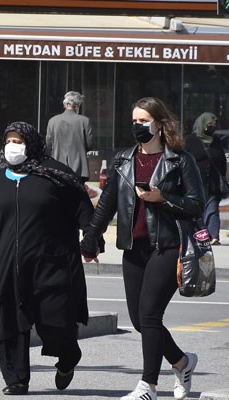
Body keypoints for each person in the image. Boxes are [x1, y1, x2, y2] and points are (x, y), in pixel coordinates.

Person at [0, 121, 96, 396]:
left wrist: (91, 242)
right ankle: (16, 379)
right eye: (8, 141)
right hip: (6, 267)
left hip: (50, 266)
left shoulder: (57, 175)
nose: (12, 147)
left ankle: (68, 357)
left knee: (56, 325)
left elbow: (85, 213)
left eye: (18, 141)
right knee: (7, 322)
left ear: (32, 143)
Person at [80, 97, 203, 400]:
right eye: (134, 121)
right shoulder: (124, 159)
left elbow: (196, 204)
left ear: (160, 124)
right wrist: (90, 239)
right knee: (139, 320)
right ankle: (182, 362)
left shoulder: (180, 160)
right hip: (134, 247)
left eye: (143, 121)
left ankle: (147, 386)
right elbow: (107, 204)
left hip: (168, 246)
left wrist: (163, 199)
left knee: (149, 315)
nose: (138, 126)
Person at [183, 112, 226, 245]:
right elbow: (183, 160)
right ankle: (200, 235)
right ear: (202, 125)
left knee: (212, 209)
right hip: (195, 183)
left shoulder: (216, 141)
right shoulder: (190, 140)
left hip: (213, 183)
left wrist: (222, 178)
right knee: (197, 210)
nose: (211, 129)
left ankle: (214, 236)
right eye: (208, 126)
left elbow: (222, 161)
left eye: (213, 126)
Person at [45, 91, 93, 183]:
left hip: (57, 167)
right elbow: (90, 144)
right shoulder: (85, 121)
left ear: (65, 104)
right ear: (78, 105)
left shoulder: (53, 121)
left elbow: (49, 144)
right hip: (79, 169)